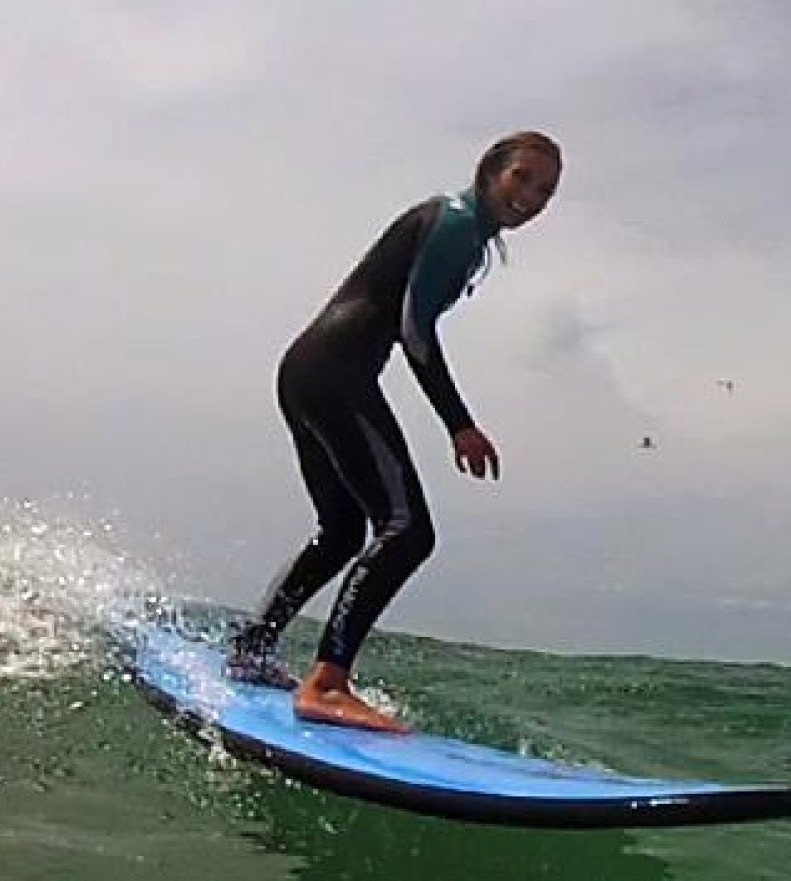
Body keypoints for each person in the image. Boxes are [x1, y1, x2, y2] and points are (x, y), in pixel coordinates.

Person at [226, 131, 562, 733]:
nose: (532, 197)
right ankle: (326, 683)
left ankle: (253, 648)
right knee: (407, 532)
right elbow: (415, 329)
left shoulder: (460, 226)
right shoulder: (457, 224)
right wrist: (460, 424)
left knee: (340, 532)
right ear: (490, 171)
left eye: (545, 190)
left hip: (306, 369)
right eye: (523, 178)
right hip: (336, 373)